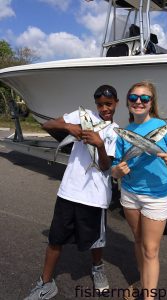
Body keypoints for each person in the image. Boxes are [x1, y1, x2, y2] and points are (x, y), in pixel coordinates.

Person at [24, 85, 119, 300]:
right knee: (55, 239)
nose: (104, 108)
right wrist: (69, 127)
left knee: (96, 240)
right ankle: (46, 283)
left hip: (95, 196)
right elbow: (48, 124)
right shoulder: (82, 115)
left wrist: (100, 145)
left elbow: (106, 167)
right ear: (95, 104)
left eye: (109, 104)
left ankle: (97, 268)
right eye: (100, 104)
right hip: (69, 191)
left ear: (116, 103)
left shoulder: (115, 132)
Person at [111, 81, 167, 300]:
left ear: (151, 103)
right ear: (128, 102)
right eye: (134, 98)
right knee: (138, 241)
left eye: (145, 98)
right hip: (129, 193)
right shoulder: (124, 132)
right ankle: (142, 279)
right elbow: (114, 166)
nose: (139, 102)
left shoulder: (166, 128)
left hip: (155, 196)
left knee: (150, 250)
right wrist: (116, 172)